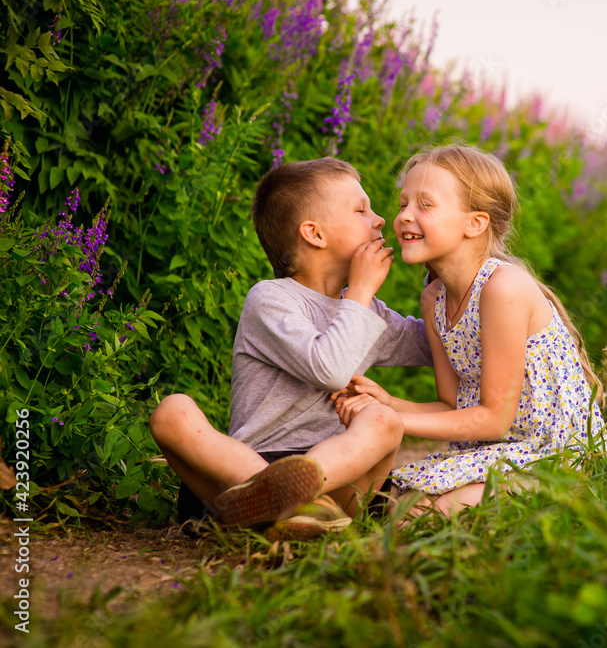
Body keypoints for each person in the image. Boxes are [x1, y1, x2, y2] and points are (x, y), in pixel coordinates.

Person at [149, 157, 432, 540]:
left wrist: (443, 276)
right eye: (361, 209)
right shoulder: (271, 299)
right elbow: (328, 368)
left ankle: (305, 508)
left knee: (384, 420)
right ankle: (278, 495)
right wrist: (362, 293)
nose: (380, 219)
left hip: (339, 481)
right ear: (314, 234)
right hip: (244, 474)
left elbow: (436, 346)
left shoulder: (367, 310)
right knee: (172, 411)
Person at [335, 143, 606, 519]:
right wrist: (389, 403)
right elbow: (452, 407)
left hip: (551, 454)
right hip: (496, 452)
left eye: (424, 205)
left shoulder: (502, 288)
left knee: (429, 512)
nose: (404, 217)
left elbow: (494, 420)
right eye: (403, 204)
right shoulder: (435, 300)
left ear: (475, 223)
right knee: (396, 503)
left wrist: (394, 418)